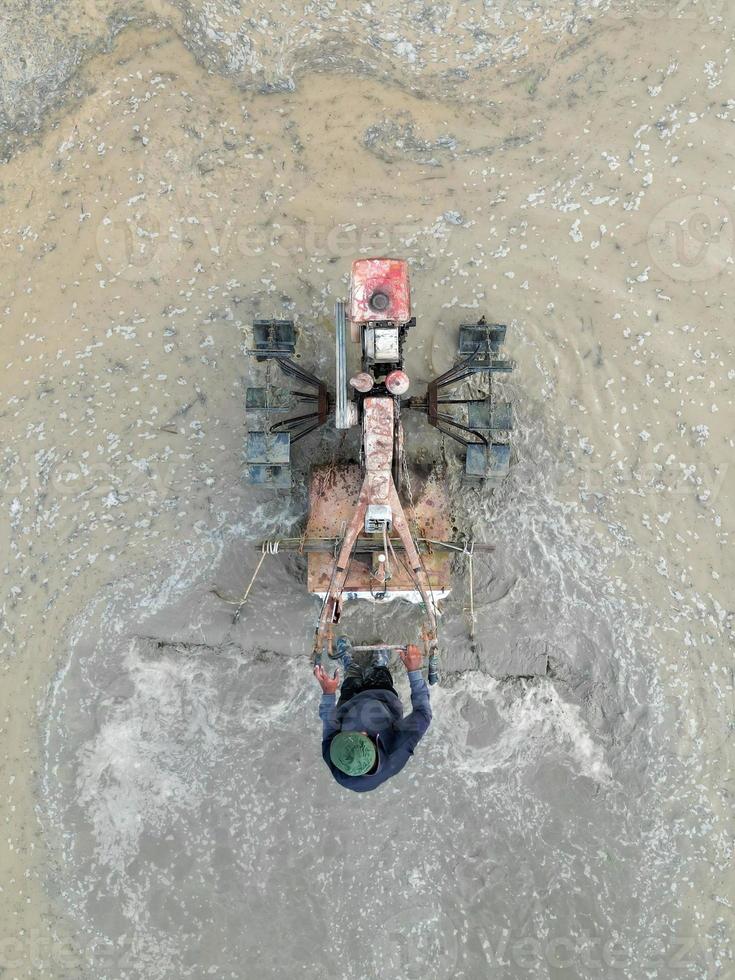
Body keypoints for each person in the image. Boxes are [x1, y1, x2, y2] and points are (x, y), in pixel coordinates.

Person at [314, 638, 432, 792]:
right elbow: (423, 713)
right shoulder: (397, 752)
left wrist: (328, 694)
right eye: (361, 735)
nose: (362, 730)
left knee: (351, 681)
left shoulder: (336, 759)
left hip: (348, 706)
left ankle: (351, 667)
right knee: (379, 675)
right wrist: (414, 671)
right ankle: (379, 664)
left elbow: (329, 731)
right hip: (382, 700)